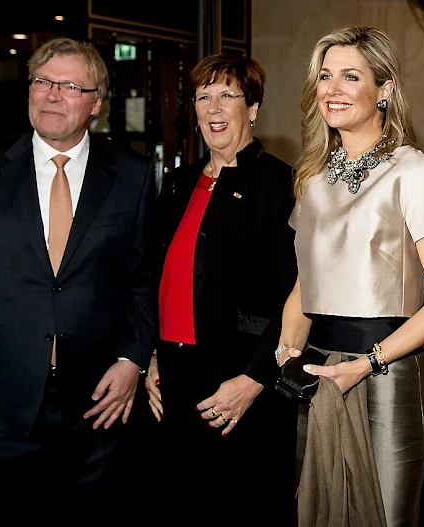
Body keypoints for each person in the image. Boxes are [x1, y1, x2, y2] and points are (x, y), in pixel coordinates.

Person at [0, 37, 156, 509]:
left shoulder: (131, 176)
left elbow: (143, 280)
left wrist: (132, 360)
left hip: (98, 406)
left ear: (96, 103)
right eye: (42, 81)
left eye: (69, 85)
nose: (52, 94)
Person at [275, 26, 424, 526]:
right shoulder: (311, 180)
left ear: (383, 89)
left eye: (350, 76)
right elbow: (304, 287)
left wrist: (367, 364)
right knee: (314, 510)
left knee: (383, 517)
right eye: (324, 76)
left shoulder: (413, 171)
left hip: (388, 375)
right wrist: (285, 358)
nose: (332, 89)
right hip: (316, 374)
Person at [143, 53, 299, 526]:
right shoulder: (177, 183)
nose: (214, 106)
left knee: (241, 506)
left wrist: (254, 381)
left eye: (228, 95)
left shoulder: (279, 183)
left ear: (252, 108)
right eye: (203, 96)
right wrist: (152, 358)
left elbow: (300, 294)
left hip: (240, 382)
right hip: (173, 377)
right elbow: (157, 281)